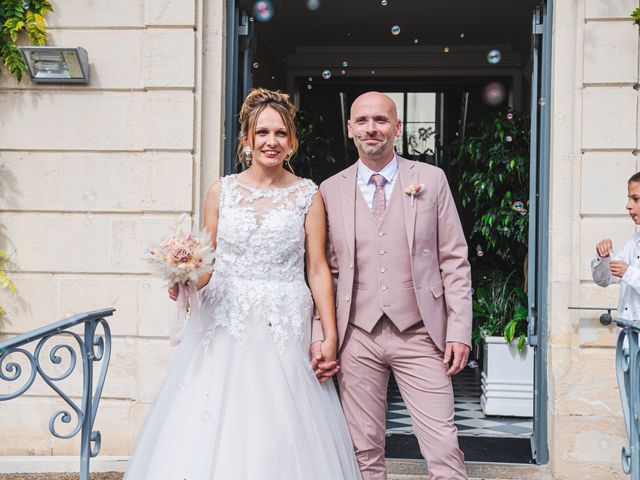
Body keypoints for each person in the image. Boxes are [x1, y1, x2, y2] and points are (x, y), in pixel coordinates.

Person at [124, 88, 361, 479]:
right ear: (247, 140)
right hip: (224, 317)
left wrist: (330, 334)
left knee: (279, 421)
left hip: (284, 319)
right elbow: (209, 262)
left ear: (292, 141)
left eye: (281, 133)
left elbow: (317, 269)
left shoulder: (307, 195)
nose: (272, 141)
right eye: (263, 132)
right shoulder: (222, 191)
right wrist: (184, 280)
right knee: (217, 415)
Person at [312, 92, 471, 480]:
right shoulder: (329, 189)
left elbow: (454, 258)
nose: (372, 128)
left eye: (381, 120)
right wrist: (322, 334)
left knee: (444, 447)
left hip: (421, 333)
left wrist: (460, 330)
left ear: (397, 128)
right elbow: (325, 272)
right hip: (357, 335)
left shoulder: (430, 179)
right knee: (362, 450)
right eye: (362, 121)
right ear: (350, 129)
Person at [592, 172, 640, 321]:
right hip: (627, 340)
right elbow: (603, 279)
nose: (628, 206)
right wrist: (603, 257)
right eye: (629, 199)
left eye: (636, 199)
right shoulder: (633, 242)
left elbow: (626, 273)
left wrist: (628, 272)